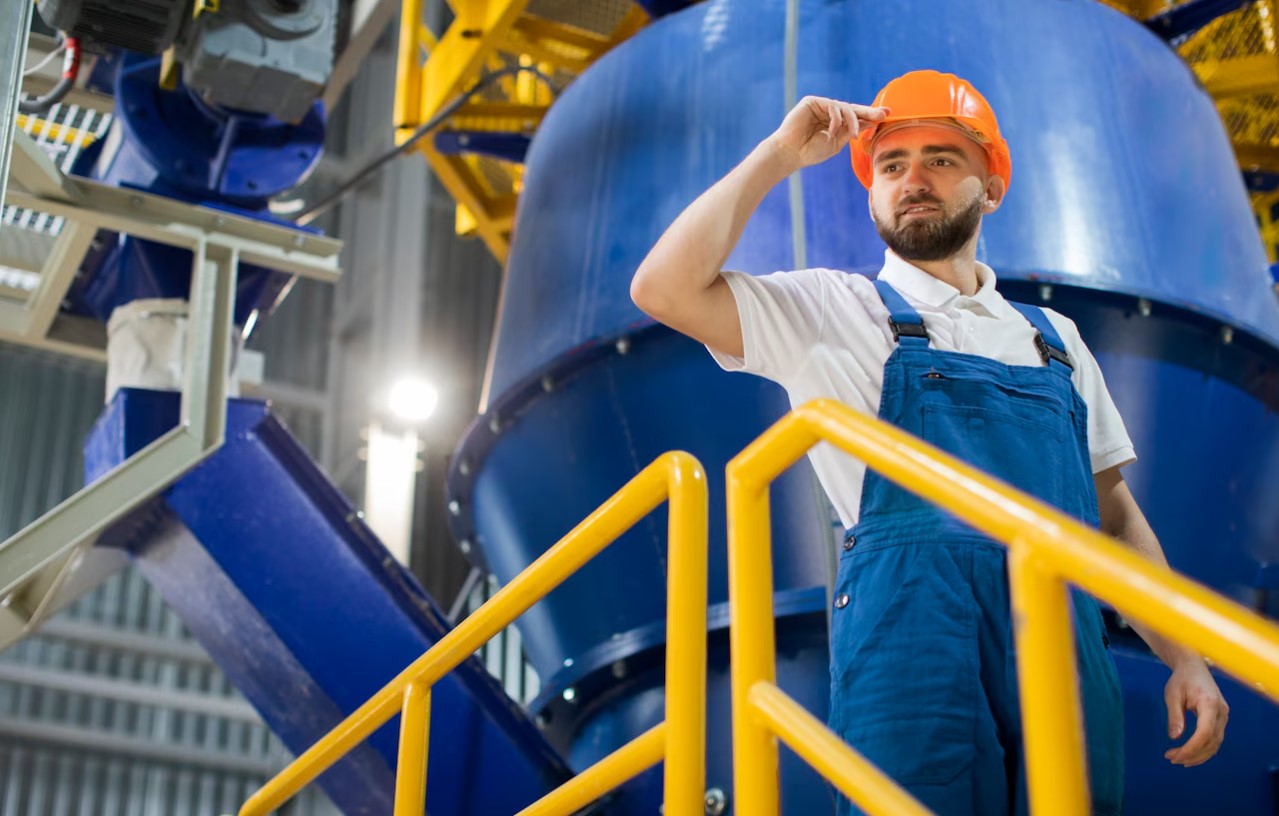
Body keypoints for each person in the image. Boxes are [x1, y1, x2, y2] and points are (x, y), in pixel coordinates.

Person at [630, 70, 1229, 816]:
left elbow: (1114, 520)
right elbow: (664, 289)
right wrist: (780, 155)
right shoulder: (830, 310)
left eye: (941, 159)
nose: (912, 179)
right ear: (872, 190)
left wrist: (1184, 655)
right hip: (912, 640)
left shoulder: (1056, 341)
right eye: (891, 164)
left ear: (991, 186)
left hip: (1061, 648)